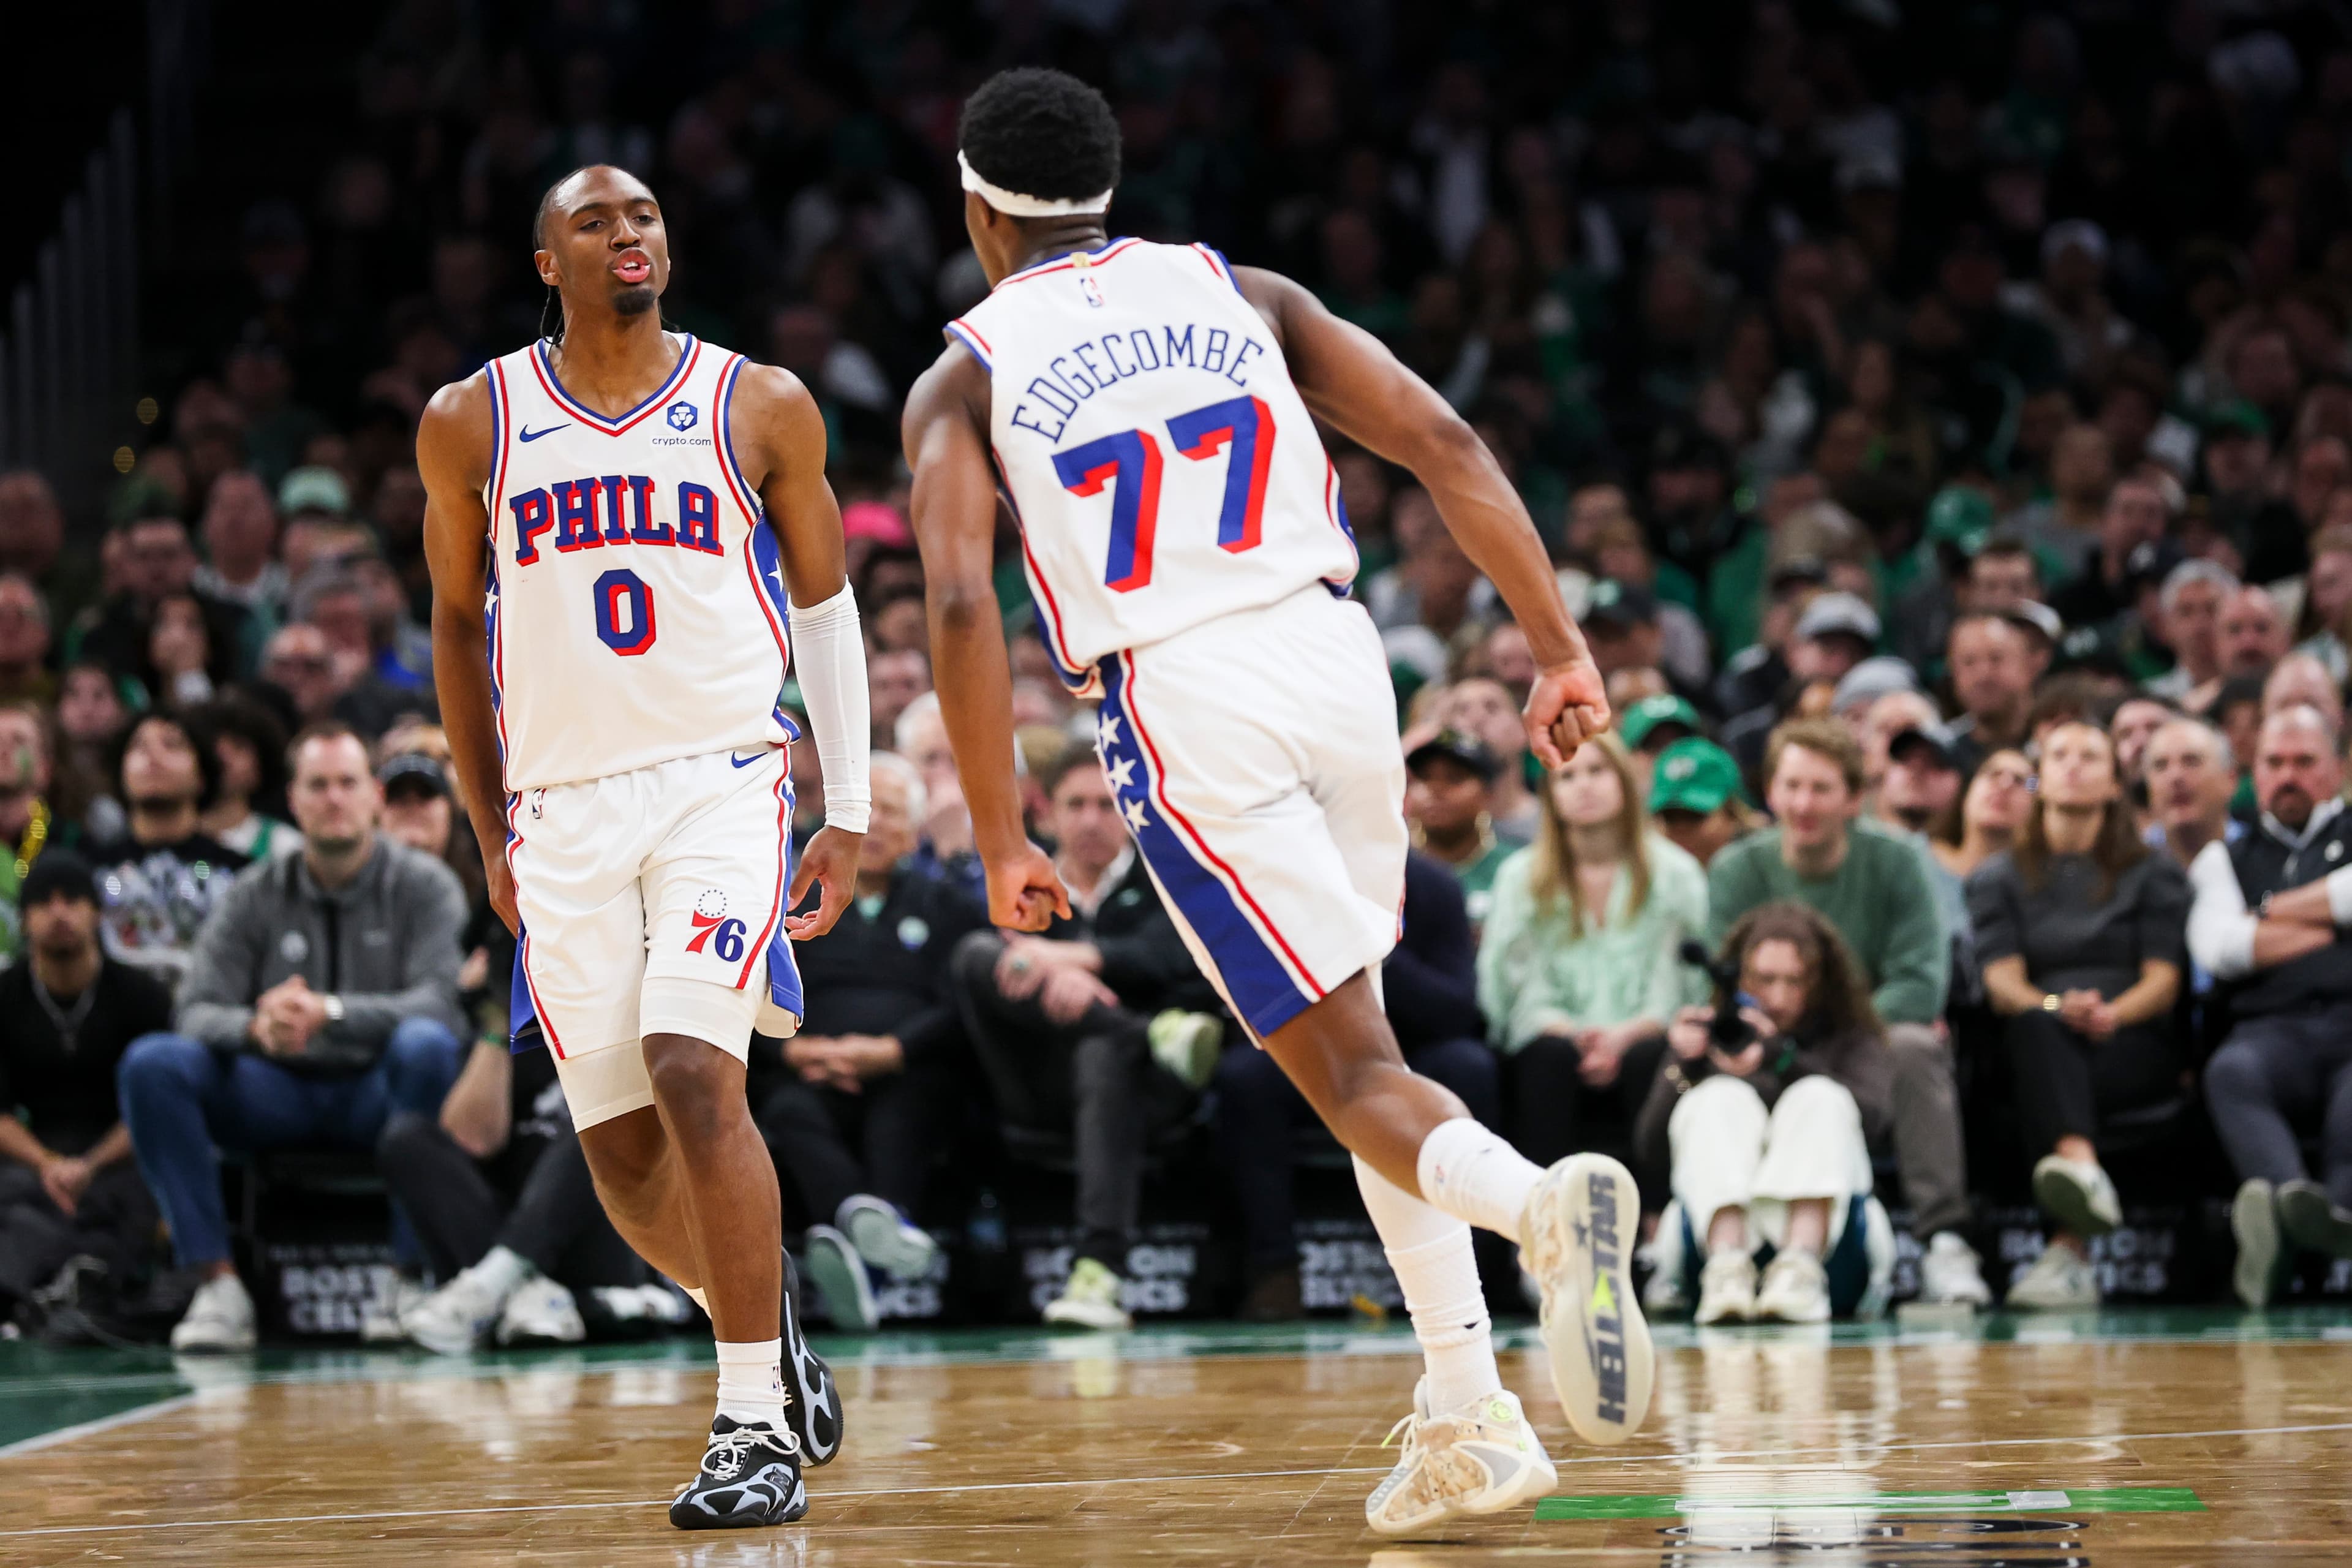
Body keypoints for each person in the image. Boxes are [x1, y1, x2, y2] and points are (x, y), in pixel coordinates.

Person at [901, 68, 1649, 1537]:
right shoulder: (1241, 291)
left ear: (977, 208)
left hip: (1186, 695)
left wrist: (997, 828)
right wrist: (1559, 646)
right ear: (1106, 187)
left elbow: (958, 601)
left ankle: (1539, 1209)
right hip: (1336, 656)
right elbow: (1446, 442)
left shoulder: (964, 375)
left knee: (1347, 1072)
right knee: (1365, 1051)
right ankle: (1467, 1410)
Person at [417, 163, 865, 1524]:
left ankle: (750, 1426)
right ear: (546, 263)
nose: (630, 234)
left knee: (692, 1069)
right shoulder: (473, 419)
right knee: (618, 1158)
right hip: (560, 808)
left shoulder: (757, 402)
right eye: (596, 221)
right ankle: (761, 1320)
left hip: (718, 782)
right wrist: (489, 829)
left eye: (647, 215)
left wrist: (848, 807)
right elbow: (456, 627)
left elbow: (827, 606)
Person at [116, 723, 470, 1351]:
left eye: (347, 783)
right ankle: (217, 1285)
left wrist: (329, 1012)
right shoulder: (255, 891)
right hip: (274, 1090)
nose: (334, 798)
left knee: (427, 1046)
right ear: (293, 800)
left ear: (374, 798)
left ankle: (410, 1277)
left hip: (380, 1094)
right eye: (318, 785)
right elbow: (194, 1011)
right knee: (154, 1063)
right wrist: (256, 1027)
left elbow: (442, 1006)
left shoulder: (425, 886)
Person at [1706, 719, 1990, 1306]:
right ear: (1770, 792)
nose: (1803, 804)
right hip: (1765, 1038)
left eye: (1821, 788)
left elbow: (1920, 985)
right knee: (1703, 1054)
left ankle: (1945, 1242)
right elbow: (1718, 984)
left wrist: (1833, 1033)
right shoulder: (1736, 870)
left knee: (1917, 1046)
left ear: (1854, 798)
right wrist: (1775, 1032)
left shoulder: (1899, 860)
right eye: (1791, 786)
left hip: (1868, 1043)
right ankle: (1698, 1249)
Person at [948, 742, 1225, 1330]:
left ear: (1129, 812)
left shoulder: (1166, 878)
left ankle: (1099, 1271)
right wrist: (1050, 973)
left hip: (1147, 1090)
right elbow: (987, 966)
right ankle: (1151, 1032)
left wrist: (1074, 959)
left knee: (1103, 1052)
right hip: (1035, 1082)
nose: (1092, 820)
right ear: (1047, 813)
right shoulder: (1018, 882)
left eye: (1106, 804)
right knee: (975, 953)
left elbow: (1179, 960)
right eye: (1076, 805)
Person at [1213, 851, 1499, 1321]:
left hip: (1414, 1043)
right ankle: (1272, 1271)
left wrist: (1371, 953)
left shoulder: (1433, 884)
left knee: (1470, 1067)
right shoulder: (1282, 872)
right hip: (1314, 1046)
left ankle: (1479, 1270)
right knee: (1244, 1078)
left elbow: (1456, 1008)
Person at [750, 753, 975, 1332]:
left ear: (916, 832)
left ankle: (859, 1257)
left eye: (890, 813)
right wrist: (794, 1050)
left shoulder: (947, 906)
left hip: (908, 1068)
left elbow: (959, 1006)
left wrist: (894, 1051)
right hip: (808, 1067)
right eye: (862, 812)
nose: (873, 827)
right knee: (788, 1110)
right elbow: (753, 989)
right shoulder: (789, 899)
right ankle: (871, 1233)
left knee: (906, 1108)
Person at [1969, 722, 2189, 1309]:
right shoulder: (1997, 877)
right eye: (2059, 755)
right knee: (2037, 1030)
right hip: (2039, 1039)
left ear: (2115, 784)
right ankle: (2080, 1177)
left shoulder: (2154, 871)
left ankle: (2072, 1236)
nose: (2072, 765)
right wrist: (2055, 1007)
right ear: (2040, 780)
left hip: (2129, 1043)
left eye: (2090, 756)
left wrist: (2110, 1014)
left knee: (2048, 1049)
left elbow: (2164, 980)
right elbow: (2002, 982)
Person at [1637, 902, 1893, 1324]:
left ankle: (1799, 1267)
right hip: (1712, 1256)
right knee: (1717, 1096)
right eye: (1765, 980)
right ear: (1740, 977)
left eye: (1795, 981)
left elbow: (1874, 1124)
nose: (1777, 997)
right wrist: (1683, 1067)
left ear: (1821, 981)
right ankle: (1728, 1266)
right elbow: (1650, 1147)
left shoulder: (1850, 1036)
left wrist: (1782, 1059)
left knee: (1820, 1096)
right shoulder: (1716, 1035)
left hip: (1833, 1256)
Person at [1476, 732, 1708, 1175]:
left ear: (1624, 780)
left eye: (1597, 771)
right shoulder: (1519, 877)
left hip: (1647, 1036)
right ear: (1550, 794)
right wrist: (1573, 1033)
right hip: (1555, 1041)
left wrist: (1625, 1035)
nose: (1584, 785)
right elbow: (1517, 988)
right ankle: (1541, 1204)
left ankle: (1656, 1212)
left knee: (1652, 1055)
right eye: (1567, 776)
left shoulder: (1677, 873)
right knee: (1548, 1057)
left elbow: (1681, 985)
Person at [2187, 706, 2352, 1307]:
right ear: (2254, 772)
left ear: (2338, 768)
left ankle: (2321, 1222)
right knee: (2232, 1072)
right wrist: (2332, 923)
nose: (2288, 776)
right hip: (2269, 1031)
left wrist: (2266, 911)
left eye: (2305, 762)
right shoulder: (2221, 857)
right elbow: (2219, 948)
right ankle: (2292, 1209)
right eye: (2275, 763)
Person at [379, 1014, 649, 1354]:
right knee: (407, 1140)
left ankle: (502, 1281)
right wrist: (497, 1026)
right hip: (495, 1240)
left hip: (590, 1240)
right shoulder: (504, 1034)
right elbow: (474, 1140)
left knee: (594, 1126)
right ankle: (518, 1290)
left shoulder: (612, 1020)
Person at [0, 854, 173, 1316]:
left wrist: (89, 1166)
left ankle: (92, 1286)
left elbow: (159, 1107)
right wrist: (49, 1164)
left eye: (73, 900)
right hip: (33, 1154)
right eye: (44, 902)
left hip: (122, 1151)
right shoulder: (6, 997)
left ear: (96, 912)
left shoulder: (142, 996)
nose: (59, 913)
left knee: (136, 1199)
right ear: (25, 919)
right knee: (18, 1204)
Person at [84, 712, 251, 987]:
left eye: (172, 745)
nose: (154, 756)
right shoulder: (90, 871)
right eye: (139, 747)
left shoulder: (241, 874)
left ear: (202, 775)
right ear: (121, 773)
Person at [1402, 728, 1514, 930]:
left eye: (1455, 778)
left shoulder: (1514, 868)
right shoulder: (1396, 867)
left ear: (1488, 793)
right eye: (1424, 778)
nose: (1436, 789)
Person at [192, 696, 301, 862]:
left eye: (238, 747)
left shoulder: (286, 847)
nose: (222, 757)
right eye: (211, 745)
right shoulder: (167, 836)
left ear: (262, 765)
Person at [1945, 614, 2036, 780]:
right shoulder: (1942, 754)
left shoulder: (2055, 748)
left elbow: (2034, 786)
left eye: (1996, 659)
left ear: (2027, 667)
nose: (1983, 674)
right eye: (1969, 662)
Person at [1648, 737, 1762, 869]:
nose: (1682, 829)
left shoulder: (1765, 866)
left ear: (1732, 813)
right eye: (1670, 817)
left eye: (1694, 816)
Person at [2143, 719, 2238, 867]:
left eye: (2191, 761)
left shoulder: (2265, 855)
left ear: (2230, 779)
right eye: (2161, 765)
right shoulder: (2127, 864)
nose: (2175, 777)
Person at [1930, 747, 2033, 881]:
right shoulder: (1922, 860)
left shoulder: (2040, 885)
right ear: (1966, 792)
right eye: (1994, 774)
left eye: (2019, 780)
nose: (2005, 785)